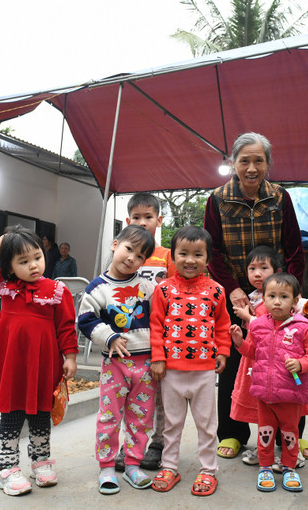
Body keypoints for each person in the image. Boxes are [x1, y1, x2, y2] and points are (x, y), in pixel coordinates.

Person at [203, 132, 305, 461]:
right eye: (244, 160)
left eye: (258, 160)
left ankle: (290, 436)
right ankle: (233, 433)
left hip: (275, 299)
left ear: (268, 164)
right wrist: (232, 289)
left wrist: (290, 295)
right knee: (234, 364)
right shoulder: (217, 199)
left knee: (286, 365)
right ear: (233, 163)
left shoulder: (279, 197)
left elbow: (294, 250)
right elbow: (212, 250)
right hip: (233, 297)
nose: (251, 167)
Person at [0, 225, 78, 497]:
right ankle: (6, 469)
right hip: (13, 363)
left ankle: (40, 462)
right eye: (23, 261)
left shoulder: (56, 290)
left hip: (43, 362)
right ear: (9, 266)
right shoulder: (5, 286)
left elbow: (66, 327)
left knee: (41, 412)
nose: (33, 266)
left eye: (37, 257)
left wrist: (71, 357)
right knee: (13, 412)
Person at [149, 226, 231, 496]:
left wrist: (222, 352)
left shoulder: (217, 291)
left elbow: (222, 325)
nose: (190, 260)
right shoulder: (163, 290)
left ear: (207, 259)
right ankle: (169, 466)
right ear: (173, 256)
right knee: (172, 424)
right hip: (170, 371)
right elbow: (156, 326)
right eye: (183, 253)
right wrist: (158, 359)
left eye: (198, 254)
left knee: (207, 425)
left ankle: (208, 470)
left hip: (204, 372)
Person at [77, 225, 157, 494]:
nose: (132, 258)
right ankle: (107, 467)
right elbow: (86, 321)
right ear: (115, 244)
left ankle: (133, 463)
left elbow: (159, 318)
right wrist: (109, 336)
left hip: (145, 364)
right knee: (110, 417)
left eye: (140, 256)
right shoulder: (97, 288)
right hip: (115, 364)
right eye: (129, 249)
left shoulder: (147, 287)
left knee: (142, 418)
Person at [230, 273, 308, 493]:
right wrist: (239, 342)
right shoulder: (259, 325)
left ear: (295, 299)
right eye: (271, 296)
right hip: (264, 393)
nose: (277, 301)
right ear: (263, 298)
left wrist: (301, 364)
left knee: (290, 432)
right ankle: (265, 467)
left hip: (290, 394)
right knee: (265, 431)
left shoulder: (303, 327)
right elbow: (253, 352)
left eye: (284, 296)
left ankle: (289, 467)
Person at [231, 246, 307, 470]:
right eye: (252, 268)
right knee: (261, 409)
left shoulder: (277, 300)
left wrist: (248, 318)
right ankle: (264, 449)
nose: (256, 273)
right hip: (257, 362)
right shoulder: (254, 298)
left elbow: (272, 327)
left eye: (263, 268)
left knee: (286, 413)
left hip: (281, 364)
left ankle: (290, 452)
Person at [120, 192, 176, 471]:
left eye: (148, 217)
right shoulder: (124, 257)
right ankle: (132, 443)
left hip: (162, 337)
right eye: (136, 218)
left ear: (159, 220)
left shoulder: (167, 256)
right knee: (134, 394)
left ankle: (158, 443)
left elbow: (177, 292)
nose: (142, 223)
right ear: (128, 220)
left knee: (162, 394)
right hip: (131, 337)